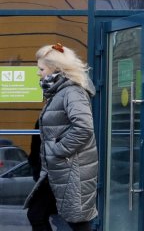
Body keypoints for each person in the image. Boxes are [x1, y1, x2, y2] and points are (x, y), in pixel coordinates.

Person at [25, 43, 98, 231]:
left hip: (70, 169)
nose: (38, 73)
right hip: (58, 169)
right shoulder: (59, 91)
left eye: (41, 68)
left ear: (55, 69)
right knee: (37, 213)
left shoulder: (72, 92)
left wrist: (57, 149)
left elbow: (84, 128)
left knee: (77, 221)